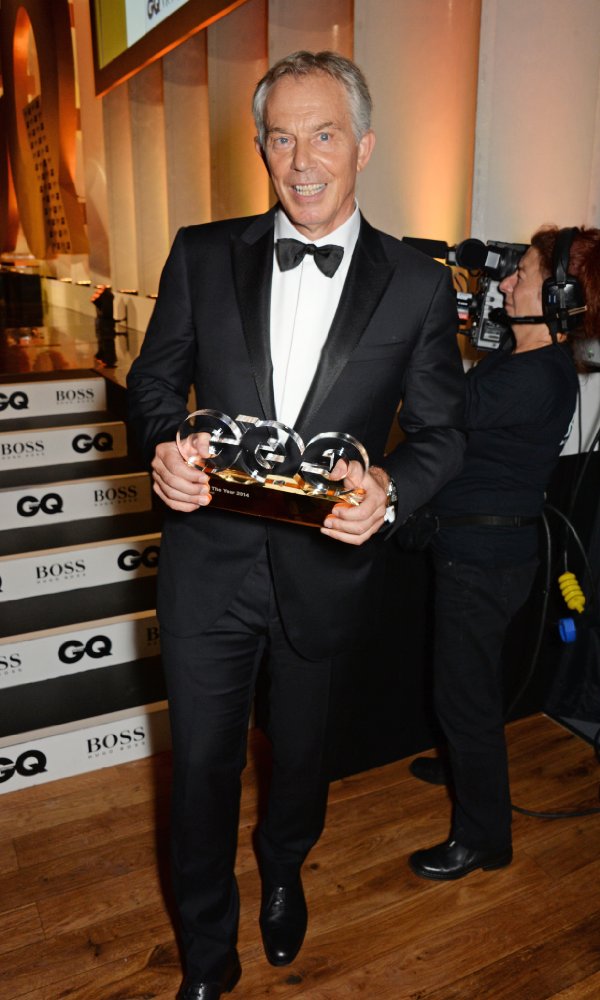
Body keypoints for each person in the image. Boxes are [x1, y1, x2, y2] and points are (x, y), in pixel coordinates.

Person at [127, 50, 465, 1000]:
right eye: (282, 138)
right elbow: (153, 384)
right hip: (208, 565)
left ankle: (284, 869)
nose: (302, 160)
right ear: (261, 148)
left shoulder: (418, 283)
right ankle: (206, 950)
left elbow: (444, 434)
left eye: (323, 136)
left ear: (364, 146)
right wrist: (164, 446)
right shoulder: (201, 253)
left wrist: (388, 489)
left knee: (303, 760)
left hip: (327, 571)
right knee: (200, 768)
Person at [408, 225, 600, 882]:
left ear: (559, 299)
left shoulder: (533, 376)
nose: (507, 282)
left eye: (524, 274)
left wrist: (423, 320)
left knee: (463, 696)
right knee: (464, 683)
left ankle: (484, 838)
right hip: (480, 551)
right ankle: (466, 765)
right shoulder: (521, 362)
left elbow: (434, 408)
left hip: (483, 561)